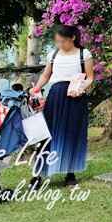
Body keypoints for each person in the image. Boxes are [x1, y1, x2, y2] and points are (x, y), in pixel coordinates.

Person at [30, 25, 94, 188]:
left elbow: (90, 77)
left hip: (75, 98)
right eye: (58, 41)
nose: (60, 44)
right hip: (56, 96)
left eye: (63, 41)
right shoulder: (53, 54)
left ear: (73, 38)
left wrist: (80, 89)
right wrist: (35, 88)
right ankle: (36, 176)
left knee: (72, 133)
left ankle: (70, 173)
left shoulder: (84, 54)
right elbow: (46, 75)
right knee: (47, 134)